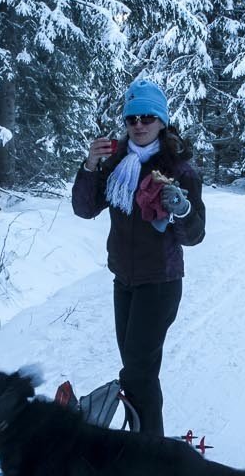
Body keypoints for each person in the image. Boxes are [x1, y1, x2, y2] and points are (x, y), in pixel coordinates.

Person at [71, 78, 206, 437]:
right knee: (135, 370)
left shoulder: (179, 169)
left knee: (138, 373)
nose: (140, 124)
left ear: (162, 121)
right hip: (125, 282)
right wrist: (89, 167)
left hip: (160, 283)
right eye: (132, 118)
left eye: (148, 117)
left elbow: (194, 236)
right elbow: (85, 209)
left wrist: (181, 208)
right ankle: (142, 444)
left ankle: (150, 453)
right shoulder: (116, 163)